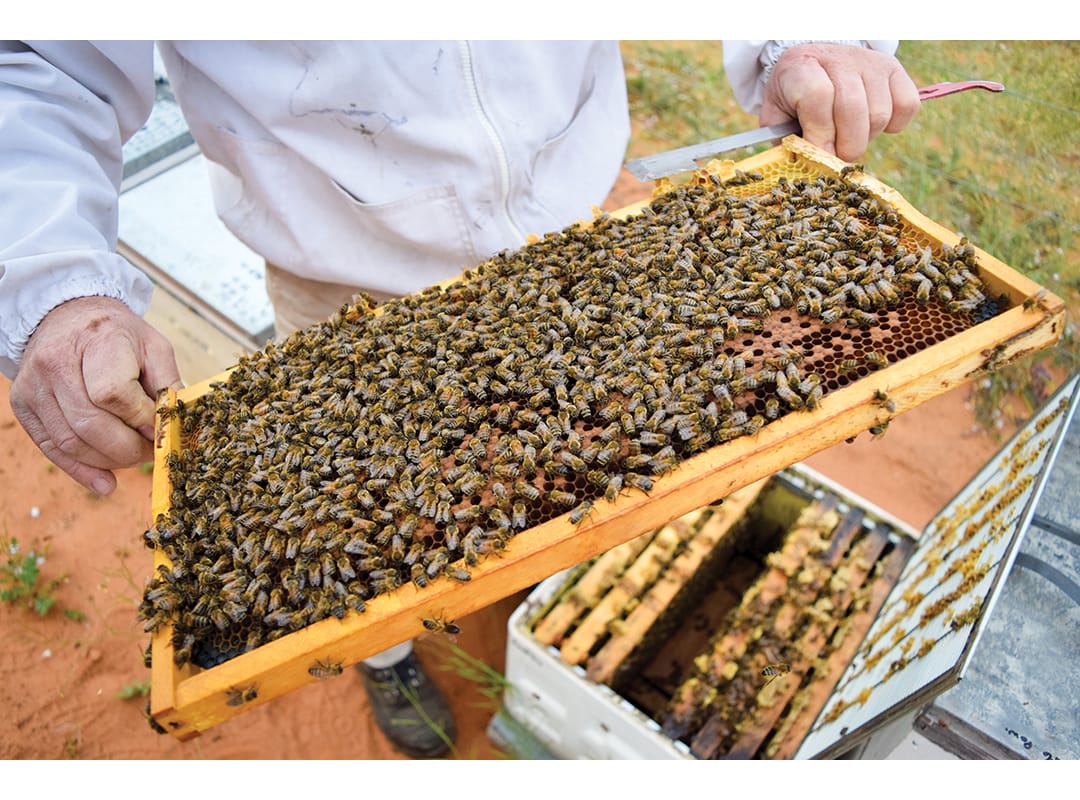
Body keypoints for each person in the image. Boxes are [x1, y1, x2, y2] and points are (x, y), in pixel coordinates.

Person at [0, 40, 920, 758]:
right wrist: (52, 285)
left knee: (582, 448)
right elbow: (37, 60)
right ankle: (387, 651)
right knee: (352, 516)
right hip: (345, 270)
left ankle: (552, 561)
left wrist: (811, 34)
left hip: (580, 233)